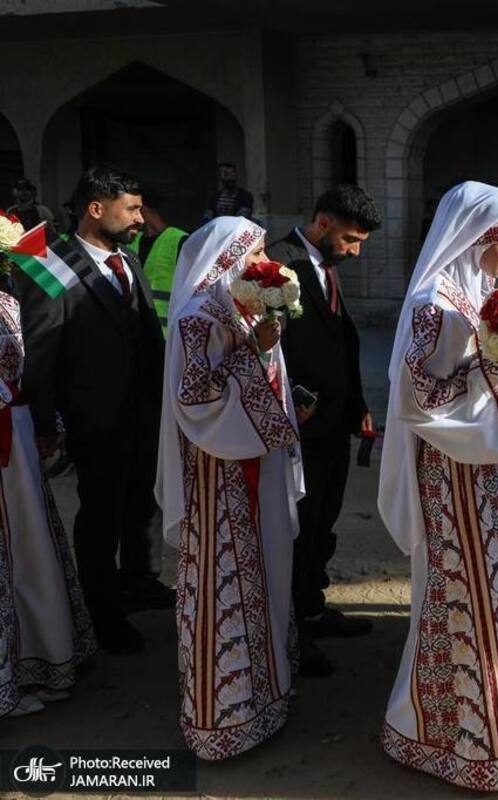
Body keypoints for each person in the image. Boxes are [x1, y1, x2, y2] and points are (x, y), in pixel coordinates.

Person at [377, 182, 498, 792]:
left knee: (491, 583)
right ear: (479, 239)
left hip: (482, 466)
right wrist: (492, 364)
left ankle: (492, 724)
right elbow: (417, 396)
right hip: (450, 472)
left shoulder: (472, 290)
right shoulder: (434, 302)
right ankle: (446, 731)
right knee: (464, 587)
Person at [156, 217, 304, 759]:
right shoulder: (198, 316)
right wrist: (253, 350)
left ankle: (268, 692)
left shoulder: (240, 306)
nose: (265, 258)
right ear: (230, 254)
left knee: (263, 568)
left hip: (253, 458)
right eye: (257, 248)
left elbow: (257, 374)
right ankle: (224, 715)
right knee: (227, 578)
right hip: (218, 472)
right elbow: (194, 398)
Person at [16, 166, 170, 655]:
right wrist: (46, 421)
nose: (140, 219)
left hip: (142, 411)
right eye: (131, 209)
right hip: (94, 417)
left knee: (141, 502)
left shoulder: (128, 258)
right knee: (102, 512)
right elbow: (40, 351)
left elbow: (146, 330)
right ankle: (103, 612)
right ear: (96, 209)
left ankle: (139, 580)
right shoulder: (50, 264)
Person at [268, 185, 379, 677]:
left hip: (334, 423)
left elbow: (340, 342)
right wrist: (292, 402)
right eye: (351, 239)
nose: (355, 251)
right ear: (324, 222)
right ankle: (292, 632)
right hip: (298, 425)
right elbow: (267, 351)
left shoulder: (325, 267)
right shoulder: (275, 264)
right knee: (296, 526)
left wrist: (357, 404)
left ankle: (312, 605)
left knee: (322, 521)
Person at [0, 273, 96, 719]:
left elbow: (32, 357)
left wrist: (44, 418)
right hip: (8, 433)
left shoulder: (13, 292)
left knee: (29, 544)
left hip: (15, 439)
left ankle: (41, 657)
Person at [135, 189, 189, 335]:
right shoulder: (131, 242)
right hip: (139, 333)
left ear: (143, 209)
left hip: (169, 336)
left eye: (133, 209)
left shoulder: (180, 240)